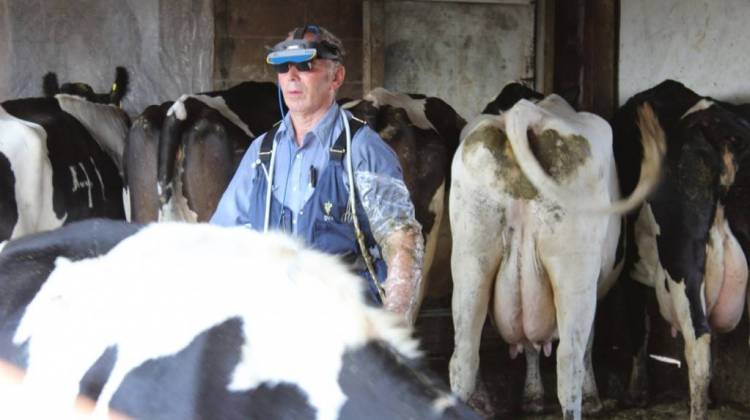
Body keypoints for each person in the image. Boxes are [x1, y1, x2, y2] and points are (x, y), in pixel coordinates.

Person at [210, 24, 424, 324]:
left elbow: (402, 240)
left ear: (336, 77)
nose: (291, 77)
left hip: (345, 329)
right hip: (273, 325)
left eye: (305, 65)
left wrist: (391, 328)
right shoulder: (263, 152)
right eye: (283, 67)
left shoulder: (363, 150)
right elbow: (221, 237)